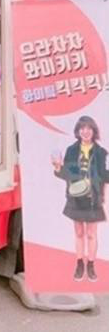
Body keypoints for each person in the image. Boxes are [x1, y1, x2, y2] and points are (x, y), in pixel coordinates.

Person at [51, 116, 109, 282]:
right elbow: (67, 174)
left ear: (93, 131)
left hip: (93, 198)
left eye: (89, 128)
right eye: (82, 128)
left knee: (91, 234)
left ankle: (90, 264)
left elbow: (104, 175)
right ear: (78, 131)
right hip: (75, 197)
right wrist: (58, 168)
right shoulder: (71, 150)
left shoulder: (100, 152)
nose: (85, 131)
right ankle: (79, 264)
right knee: (78, 232)